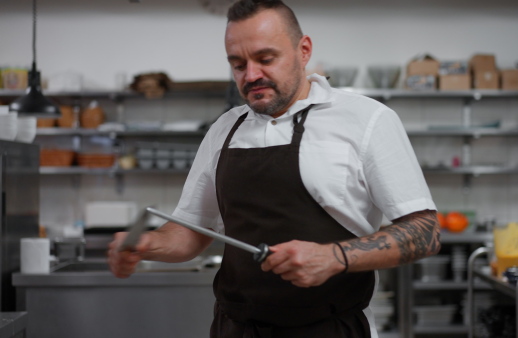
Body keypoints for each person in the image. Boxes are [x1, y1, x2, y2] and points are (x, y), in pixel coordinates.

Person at [108, 0, 441, 337]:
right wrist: (147, 244)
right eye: (238, 65)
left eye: (266, 59)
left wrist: (335, 256)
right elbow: (191, 231)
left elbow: (425, 232)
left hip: (328, 330)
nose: (251, 75)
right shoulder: (224, 129)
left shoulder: (367, 120)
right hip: (234, 329)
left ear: (304, 50)